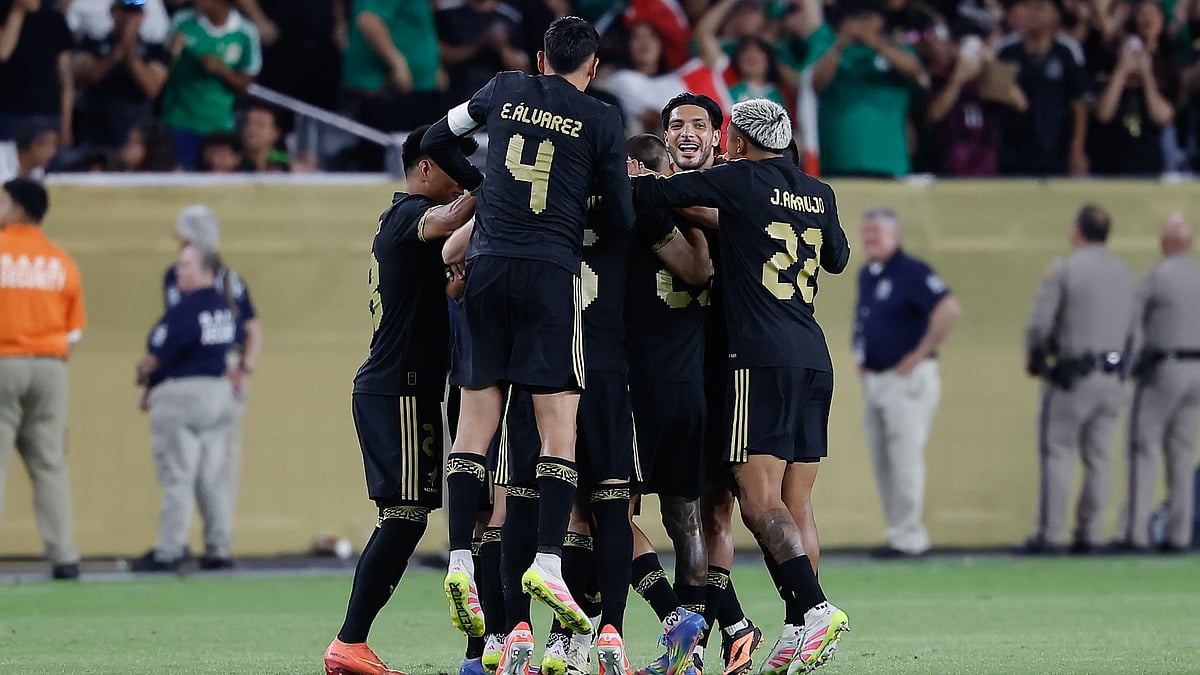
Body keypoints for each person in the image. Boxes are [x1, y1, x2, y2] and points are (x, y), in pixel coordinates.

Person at [421, 15, 636, 674]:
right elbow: (623, 218)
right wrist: (578, 205)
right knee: (556, 426)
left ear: (541, 58)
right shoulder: (600, 118)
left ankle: (459, 555)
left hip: (486, 267)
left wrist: (486, 188)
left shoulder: (506, 87)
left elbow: (434, 140)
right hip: (549, 270)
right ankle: (547, 563)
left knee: (476, 423)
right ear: (591, 67)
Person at [629, 98, 852, 675]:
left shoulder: (736, 178)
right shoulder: (817, 192)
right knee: (797, 502)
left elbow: (653, 198)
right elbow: (837, 257)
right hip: (814, 355)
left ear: (736, 140)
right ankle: (799, 630)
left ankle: (814, 608)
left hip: (757, 358)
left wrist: (630, 175)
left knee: (758, 502)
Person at [323, 126, 478, 675]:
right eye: (456, 169)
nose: (463, 179)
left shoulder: (401, 230)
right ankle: (349, 641)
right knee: (406, 514)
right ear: (427, 168)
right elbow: (448, 218)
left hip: (398, 384)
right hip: (401, 386)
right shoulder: (407, 214)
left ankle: (352, 642)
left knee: (405, 514)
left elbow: (431, 293)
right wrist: (497, 180)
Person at [623, 130, 715, 675]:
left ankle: (660, 619)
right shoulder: (704, 221)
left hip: (641, 388)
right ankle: (695, 652)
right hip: (692, 387)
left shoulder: (638, 217)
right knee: (687, 520)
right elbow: (704, 272)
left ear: (636, 168)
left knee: (605, 513)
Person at [1020, 204, 1135, 555]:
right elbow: (1136, 331)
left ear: (1077, 231)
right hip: (1112, 378)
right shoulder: (1126, 274)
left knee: (1058, 454)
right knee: (1100, 458)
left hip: (1073, 377)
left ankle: (1052, 534)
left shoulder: (1065, 269)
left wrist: (1036, 359)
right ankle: (1092, 532)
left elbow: (1040, 324)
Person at [853, 208, 961, 558]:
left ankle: (911, 537)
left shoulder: (911, 271)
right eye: (866, 232)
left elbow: (948, 309)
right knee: (883, 458)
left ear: (895, 236)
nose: (870, 238)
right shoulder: (868, 274)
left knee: (905, 457)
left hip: (907, 380)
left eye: (877, 232)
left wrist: (918, 354)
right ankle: (898, 532)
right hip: (878, 381)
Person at [161, 204, 261, 569]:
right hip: (213, 371)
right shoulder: (228, 279)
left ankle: (190, 545)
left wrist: (242, 368)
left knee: (198, 465)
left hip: (207, 372)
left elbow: (250, 329)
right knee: (211, 464)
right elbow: (253, 328)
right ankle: (213, 544)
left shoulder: (185, 276)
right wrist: (244, 367)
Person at [131, 244, 237, 572]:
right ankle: (219, 547)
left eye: (186, 265)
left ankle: (170, 549)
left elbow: (156, 355)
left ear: (207, 270)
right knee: (211, 476)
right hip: (219, 394)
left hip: (182, 396)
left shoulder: (184, 309)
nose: (179, 271)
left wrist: (144, 378)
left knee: (177, 474)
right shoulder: (223, 307)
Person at [0, 178, 85, 581]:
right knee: (50, 464)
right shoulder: (61, 260)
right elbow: (75, 331)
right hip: (51, 367)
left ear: (17, 208)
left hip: (4, 362)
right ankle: (64, 555)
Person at [1118, 214, 1200, 553]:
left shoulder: (1156, 276)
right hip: (1198, 370)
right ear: (1191, 244)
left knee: (1144, 448)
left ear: (1164, 243)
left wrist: (1128, 366)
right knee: (1182, 452)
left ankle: (1135, 533)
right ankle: (1178, 535)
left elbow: (1134, 326)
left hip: (1164, 367)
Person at [809, 0, 926, 177]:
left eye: (867, 17)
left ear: (880, 19)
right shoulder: (828, 48)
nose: (861, 23)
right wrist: (840, 45)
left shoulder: (897, 47)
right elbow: (816, 83)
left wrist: (876, 43)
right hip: (839, 162)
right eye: (855, 18)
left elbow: (914, 69)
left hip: (889, 163)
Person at [342, 0, 445, 170]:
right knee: (392, 164)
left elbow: (418, 25)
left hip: (421, 87)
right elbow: (368, 20)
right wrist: (396, 62)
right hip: (391, 90)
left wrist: (436, 66)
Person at [160, 0, 262, 169]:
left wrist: (222, 71)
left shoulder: (246, 33)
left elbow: (247, 85)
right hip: (178, 120)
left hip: (218, 126)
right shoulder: (182, 21)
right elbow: (163, 67)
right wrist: (174, 51)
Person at [995, 0, 1091, 176]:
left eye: (1040, 8)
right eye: (1028, 7)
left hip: (1056, 145)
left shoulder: (1068, 50)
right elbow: (993, 94)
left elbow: (1079, 103)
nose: (1033, 13)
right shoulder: (1005, 49)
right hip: (1013, 149)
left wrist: (1077, 149)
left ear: (1056, 15)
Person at [71, 0, 170, 150]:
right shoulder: (93, 43)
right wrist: (115, 55)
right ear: (113, 12)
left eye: (134, 12)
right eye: (124, 11)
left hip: (136, 131)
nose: (129, 18)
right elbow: (83, 76)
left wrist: (130, 52)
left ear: (142, 16)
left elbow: (152, 88)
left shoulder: (154, 49)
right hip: (96, 128)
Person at [0, 0, 74, 145]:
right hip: (10, 112)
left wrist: (66, 123)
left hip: (48, 113)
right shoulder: (4, 11)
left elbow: (65, 78)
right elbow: (3, 53)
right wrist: (17, 12)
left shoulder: (54, 19)